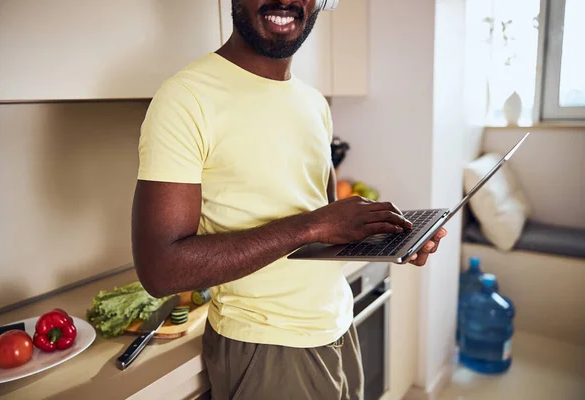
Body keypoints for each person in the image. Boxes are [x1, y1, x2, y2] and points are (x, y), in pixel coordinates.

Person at [132, 1, 447, 399]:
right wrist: (313, 225)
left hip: (336, 325)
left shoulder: (314, 102)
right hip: (268, 347)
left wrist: (391, 239)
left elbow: (327, 230)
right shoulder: (185, 98)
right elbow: (160, 268)